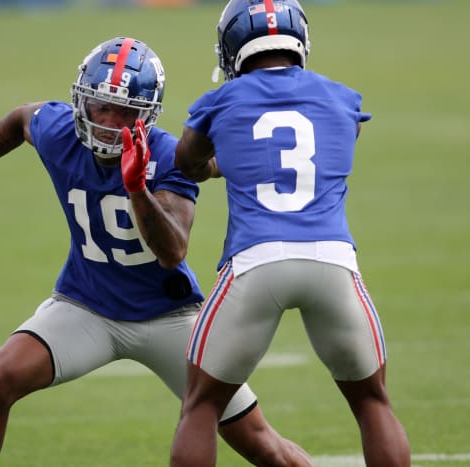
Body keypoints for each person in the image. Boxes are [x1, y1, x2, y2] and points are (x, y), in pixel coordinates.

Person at [0, 37, 313, 467]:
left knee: (259, 442)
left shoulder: (166, 155)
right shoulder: (59, 133)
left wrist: (137, 190)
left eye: (125, 111)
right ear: (81, 102)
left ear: (146, 116)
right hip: (86, 306)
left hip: (167, 318)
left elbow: (172, 251)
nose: (110, 122)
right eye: (101, 107)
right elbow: (20, 119)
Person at [168, 2, 411, 467]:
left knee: (201, 406)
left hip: (256, 261)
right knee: (372, 402)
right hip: (332, 262)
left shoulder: (218, 103)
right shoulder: (343, 98)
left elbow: (187, 162)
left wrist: (220, 164)